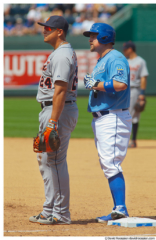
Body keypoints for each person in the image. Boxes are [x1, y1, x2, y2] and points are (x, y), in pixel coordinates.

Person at [29, 15, 78, 225]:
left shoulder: (62, 55)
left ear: (60, 32)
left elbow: (60, 91)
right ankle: (49, 209)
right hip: (53, 109)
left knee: (55, 162)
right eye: (43, 27)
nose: (44, 30)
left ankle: (61, 213)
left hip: (58, 110)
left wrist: (52, 122)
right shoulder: (59, 53)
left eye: (48, 27)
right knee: (46, 161)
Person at [83, 23, 132, 223]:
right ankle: (117, 208)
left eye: (93, 35)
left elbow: (121, 84)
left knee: (111, 163)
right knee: (108, 163)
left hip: (113, 116)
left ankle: (121, 207)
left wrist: (96, 84)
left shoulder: (115, 57)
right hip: (103, 117)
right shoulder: (102, 60)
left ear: (104, 37)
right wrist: (96, 85)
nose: (90, 39)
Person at [123, 41, 149, 148]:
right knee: (128, 115)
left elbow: (143, 77)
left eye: (125, 49)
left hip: (135, 90)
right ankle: (130, 140)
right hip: (125, 90)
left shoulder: (140, 61)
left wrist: (142, 94)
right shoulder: (125, 61)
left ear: (130, 49)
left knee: (132, 115)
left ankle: (131, 140)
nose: (123, 52)